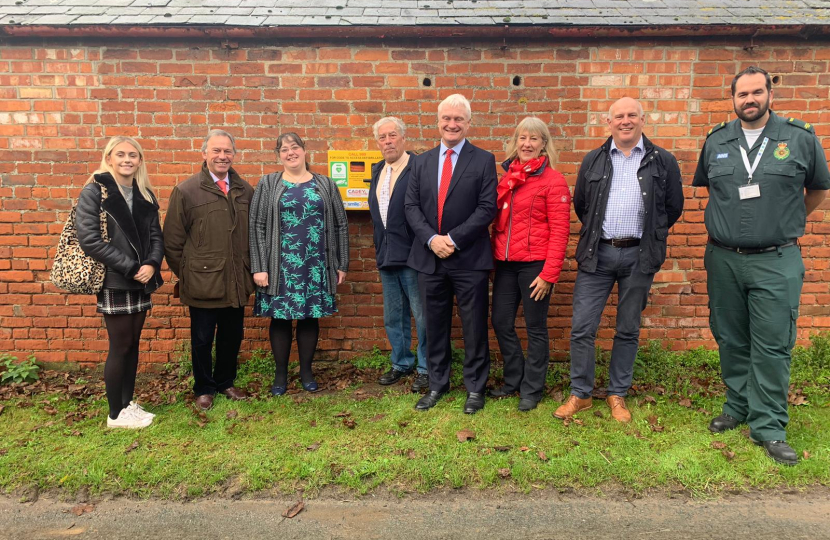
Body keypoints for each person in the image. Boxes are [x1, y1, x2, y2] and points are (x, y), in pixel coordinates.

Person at [693, 66, 830, 465]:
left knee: (772, 344)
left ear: (770, 93)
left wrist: (785, 221)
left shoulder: (799, 138)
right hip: (723, 259)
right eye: (741, 94)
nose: (749, 100)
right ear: (732, 99)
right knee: (731, 337)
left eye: (756, 92)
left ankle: (768, 425)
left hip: (776, 259)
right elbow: (712, 190)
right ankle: (738, 405)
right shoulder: (717, 140)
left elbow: (818, 189)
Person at [555, 97, 684, 423]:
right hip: (597, 253)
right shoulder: (593, 160)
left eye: (631, 115)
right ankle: (581, 394)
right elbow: (582, 206)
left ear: (643, 119)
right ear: (608, 122)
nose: (625, 121)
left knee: (627, 328)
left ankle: (617, 394)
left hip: (640, 255)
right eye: (619, 116)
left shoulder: (663, 161)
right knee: (583, 328)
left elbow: (672, 208)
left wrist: (650, 236)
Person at [404, 94, 498, 414]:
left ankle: (474, 388)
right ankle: (436, 384)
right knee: (434, 325)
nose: (452, 124)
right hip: (429, 259)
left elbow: (487, 208)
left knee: (473, 326)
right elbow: (411, 207)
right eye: (447, 118)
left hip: (469, 258)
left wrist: (453, 240)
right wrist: (432, 239)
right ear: (438, 122)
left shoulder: (483, 160)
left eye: (459, 119)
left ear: (468, 123)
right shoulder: (421, 161)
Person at [249, 132, 349, 395]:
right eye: (284, 149)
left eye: (294, 147)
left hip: (316, 264)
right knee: (280, 319)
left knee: (309, 317)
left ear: (305, 151)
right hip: (278, 266)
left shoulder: (325, 184)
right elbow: (256, 226)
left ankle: (306, 371)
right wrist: (259, 266)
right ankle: (280, 375)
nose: (290, 152)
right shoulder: (268, 183)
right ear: (278, 155)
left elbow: (340, 225)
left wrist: (342, 263)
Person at [76, 136, 164, 429]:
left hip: (142, 280)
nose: (127, 160)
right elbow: (90, 240)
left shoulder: (144, 194)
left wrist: (152, 263)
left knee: (133, 344)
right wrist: (132, 267)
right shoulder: (94, 192)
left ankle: (127, 404)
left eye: (133, 155)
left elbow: (155, 236)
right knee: (120, 345)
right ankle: (115, 414)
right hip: (116, 279)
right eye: (121, 154)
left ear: (140, 161)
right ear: (109, 158)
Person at [164, 129, 255, 411]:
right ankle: (204, 388)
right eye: (216, 150)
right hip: (202, 281)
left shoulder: (245, 190)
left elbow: (253, 235)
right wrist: (191, 272)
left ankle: (225, 381)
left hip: (236, 279)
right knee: (202, 339)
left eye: (227, 151)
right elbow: (172, 242)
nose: (222, 156)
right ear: (204, 153)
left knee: (232, 336)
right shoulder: (186, 191)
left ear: (234, 155)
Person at [489, 117, 571, 411]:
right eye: (522, 138)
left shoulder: (553, 181)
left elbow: (561, 231)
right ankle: (514, 380)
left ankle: (532, 388)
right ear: (515, 142)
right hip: (506, 264)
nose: (527, 144)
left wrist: (549, 274)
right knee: (500, 321)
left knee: (535, 327)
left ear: (543, 145)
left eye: (534, 139)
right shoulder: (508, 177)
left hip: (536, 265)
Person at [368, 117, 429, 393]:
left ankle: (427, 367)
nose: (388, 141)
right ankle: (401, 362)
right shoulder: (378, 169)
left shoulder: (418, 167)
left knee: (422, 314)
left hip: (414, 257)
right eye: (382, 137)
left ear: (403, 138)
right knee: (394, 316)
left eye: (392, 135)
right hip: (387, 256)